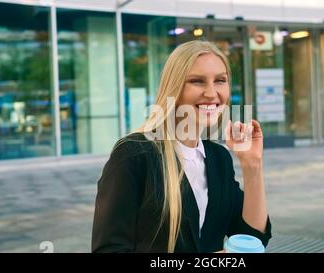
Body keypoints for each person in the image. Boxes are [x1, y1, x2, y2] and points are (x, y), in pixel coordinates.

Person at [91, 40, 271, 253]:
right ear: (174, 88)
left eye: (220, 80)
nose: (212, 93)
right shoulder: (134, 153)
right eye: (197, 81)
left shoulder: (218, 157)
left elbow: (253, 238)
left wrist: (252, 166)